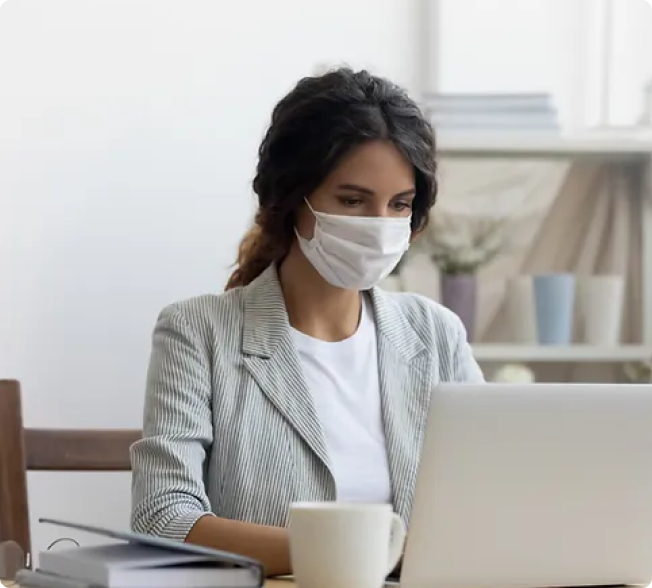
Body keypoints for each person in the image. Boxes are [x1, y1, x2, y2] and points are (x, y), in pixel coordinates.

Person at [130, 67, 484, 576]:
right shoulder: (199, 331)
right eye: (352, 200)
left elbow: (489, 502)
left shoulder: (436, 333)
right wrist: (358, 551)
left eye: (399, 205)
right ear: (292, 198)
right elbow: (162, 518)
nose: (379, 225)